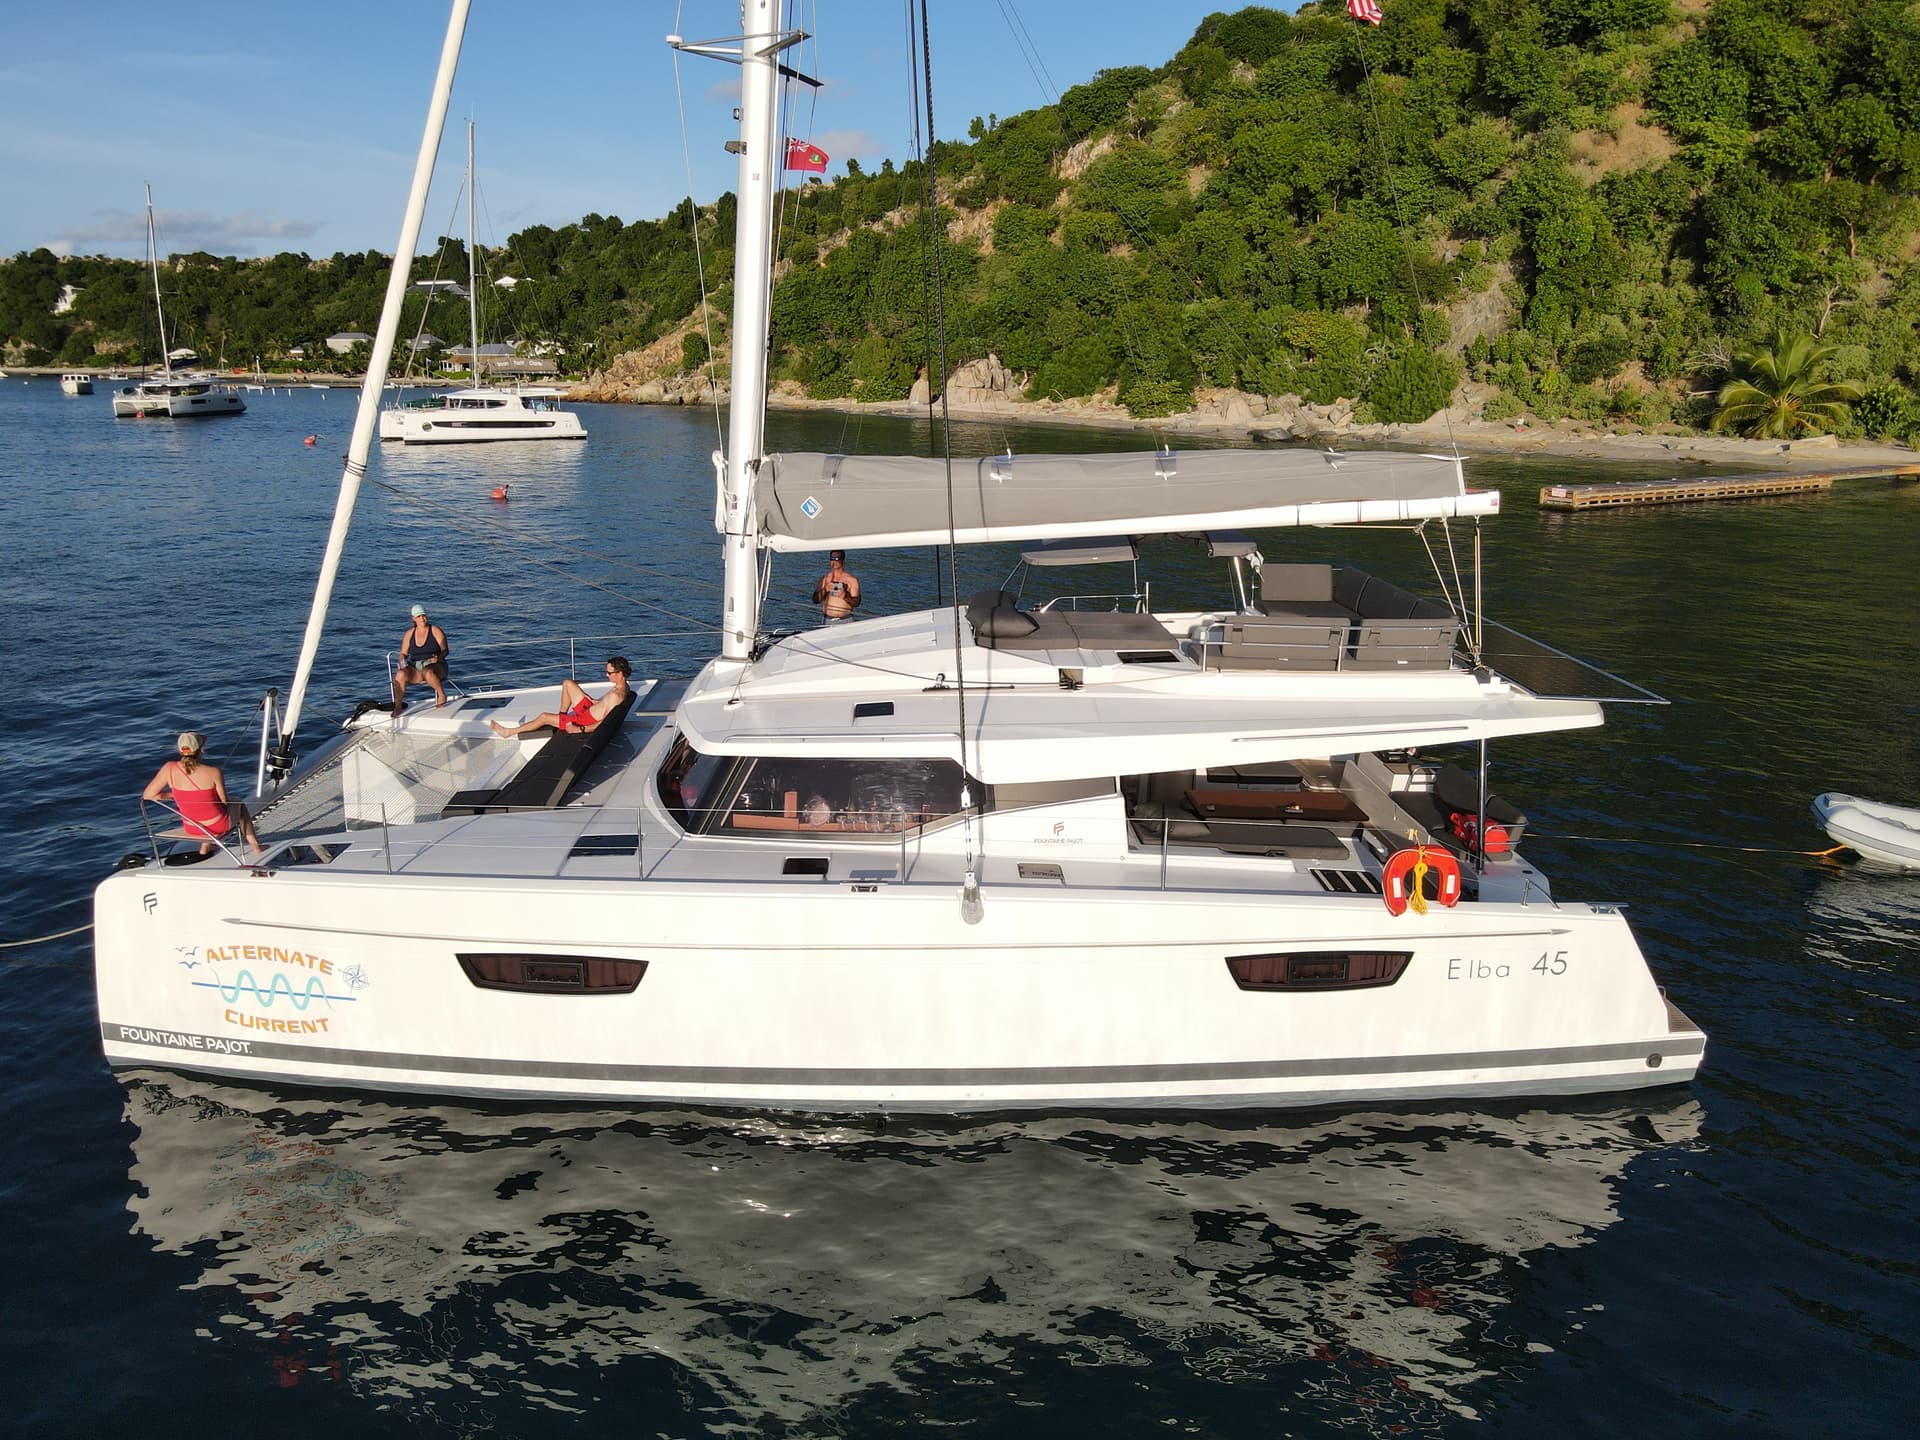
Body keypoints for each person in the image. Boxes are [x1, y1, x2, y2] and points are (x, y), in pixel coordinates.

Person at [142, 731, 265, 857]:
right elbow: (224, 801)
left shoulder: (168, 768)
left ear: (180, 750)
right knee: (238, 803)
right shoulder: (214, 772)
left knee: (201, 810)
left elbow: (148, 795)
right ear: (202, 750)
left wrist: (176, 795)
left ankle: (204, 848)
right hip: (216, 826)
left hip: (192, 827)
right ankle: (255, 846)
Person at [491, 657, 632, 739]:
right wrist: (595, 701)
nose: (606, 675)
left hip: (584, 720)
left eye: (609, 673)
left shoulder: (616, 696)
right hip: (590, 708)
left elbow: (606, 722)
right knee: (568, 683)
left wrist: (580, 729)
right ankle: (562, 716)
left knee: (544, 717)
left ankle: (509, 732)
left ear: (620, 673)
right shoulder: (624, 687)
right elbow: (605, 706)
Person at [392, 603, 450, 715]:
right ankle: (398, 705)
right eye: (419, 616)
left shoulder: (435, 630)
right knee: (400, 674)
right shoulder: (409, 634)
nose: (422, 618)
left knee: (428, 672)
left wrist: (438, 658)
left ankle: (442, 694)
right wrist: (402, 663)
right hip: (416, 667)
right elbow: (403, 653)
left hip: (436, 665)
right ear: (413, 619)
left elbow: (445, 650)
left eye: (423, 615)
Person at [811, 550, 862, 619]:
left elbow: (856, 603)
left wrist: (844, 596)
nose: (834, 561)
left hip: (846, 619)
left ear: (843, 561)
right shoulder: (824, 579)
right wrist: (825, 590)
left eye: (837, 558)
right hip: (827, 619)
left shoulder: (852, 580)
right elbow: (815, 600)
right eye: (832, 558)